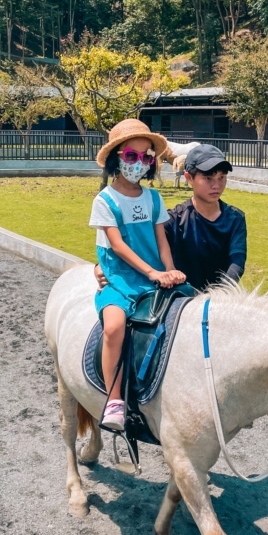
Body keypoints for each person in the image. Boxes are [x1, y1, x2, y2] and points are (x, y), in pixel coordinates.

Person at [89, 119, 186, 431]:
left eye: (147, 157)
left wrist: (170, 271)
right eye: (132, 156)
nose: (140, 163)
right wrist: (154, 272)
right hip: (120, 278)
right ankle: (114, 399)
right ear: (117, 157)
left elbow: (161, 240)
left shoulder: (154, 198)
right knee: (114, 327)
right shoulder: (104, 200)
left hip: (153, 274)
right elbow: (116, 246)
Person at [96, 143, 247, 291]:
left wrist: (220, 294)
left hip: (220, 301)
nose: (216, 185)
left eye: (222, 177)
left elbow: (237, 261)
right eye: (208, 178)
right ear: (188, 177)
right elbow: (139, 246)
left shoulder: (235, 219)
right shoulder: (173, 220)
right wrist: (100, 266)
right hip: (180, 300)